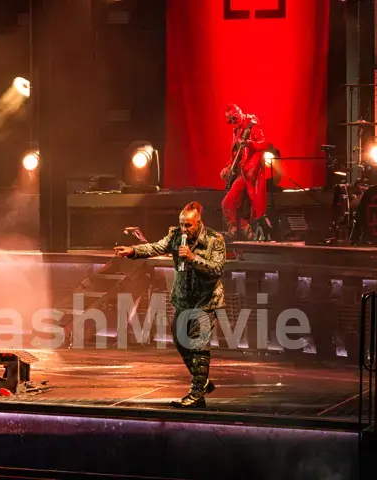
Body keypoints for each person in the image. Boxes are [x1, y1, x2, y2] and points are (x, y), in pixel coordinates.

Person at [114, 202, 226, 408]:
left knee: (198, 346)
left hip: (205, 300)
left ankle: (196, 394)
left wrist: (193, 258)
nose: (184, 229)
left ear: (199, 223)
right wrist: (132, 250)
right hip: (183, 299)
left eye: (188, 226)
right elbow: (156, 246)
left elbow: (216, 269)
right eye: (182, 225)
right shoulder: (176, 236)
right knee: (180, 341)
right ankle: (202, 383)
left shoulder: (214, 239)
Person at [220, 104, 268, 240]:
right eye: (229, 120)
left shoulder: (251, 123)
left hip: (251, 173)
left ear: (240, 112)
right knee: (231, 206)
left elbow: (265, 143)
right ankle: (242, 233)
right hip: (242, 173)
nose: (232, 122)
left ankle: (248, 234)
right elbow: (236, 156)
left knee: (237, 205)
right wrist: (227, 167)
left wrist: (250, 143)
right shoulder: (236, 131)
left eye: (234, 117)